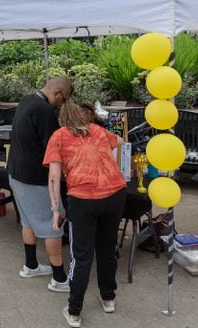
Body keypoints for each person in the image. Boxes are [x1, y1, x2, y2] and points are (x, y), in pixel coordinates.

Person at [44, 101, 127, 326]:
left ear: (61, 119)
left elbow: (53, 177)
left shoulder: (59, 136)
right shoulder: (98, 130)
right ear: (83, 117)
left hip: (83, 199)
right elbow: (120, 140)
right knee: (107, 249)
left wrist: (54, 210)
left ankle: (74, 311)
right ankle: (108, 298)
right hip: (115, 193)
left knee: (81, 257)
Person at [6, 76, 73, 293]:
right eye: (62, 102)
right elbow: (53, 150)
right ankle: (59, 278)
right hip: (34, 178)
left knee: (28, 221)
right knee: (53, 225)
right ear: (58, 94)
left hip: (15, 173)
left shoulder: (26, 100)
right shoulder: (44, 111)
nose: (60, 106)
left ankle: (31, 265)